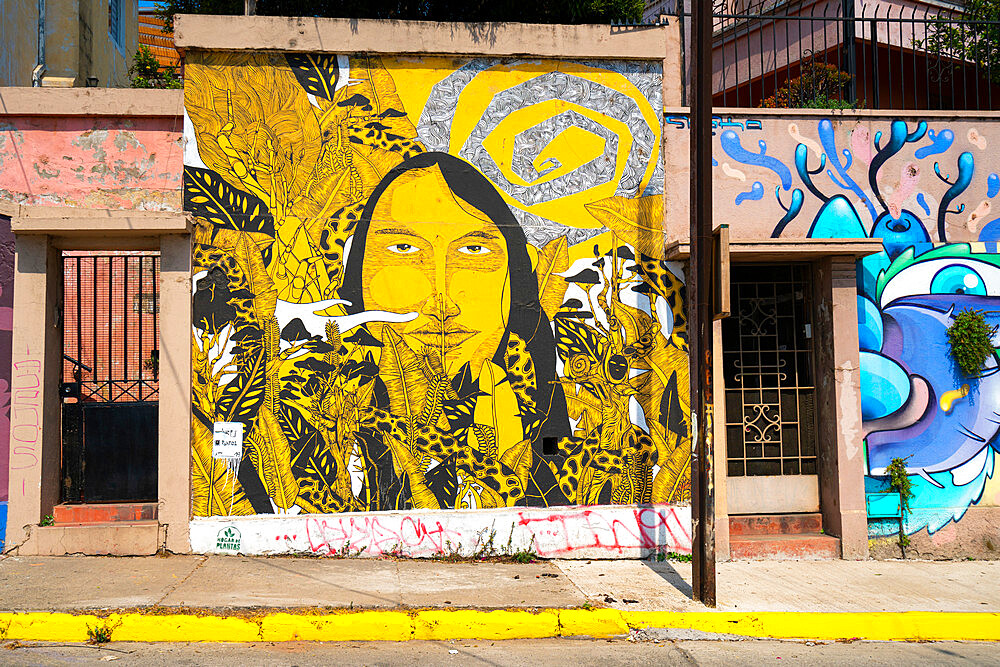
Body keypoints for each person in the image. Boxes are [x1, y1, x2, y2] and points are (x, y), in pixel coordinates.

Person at [340, 151, 570, 446]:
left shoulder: (554, 448)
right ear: (354, 265)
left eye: (474, 250)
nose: (441, 301)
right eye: (402, 248)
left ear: (519, 270)